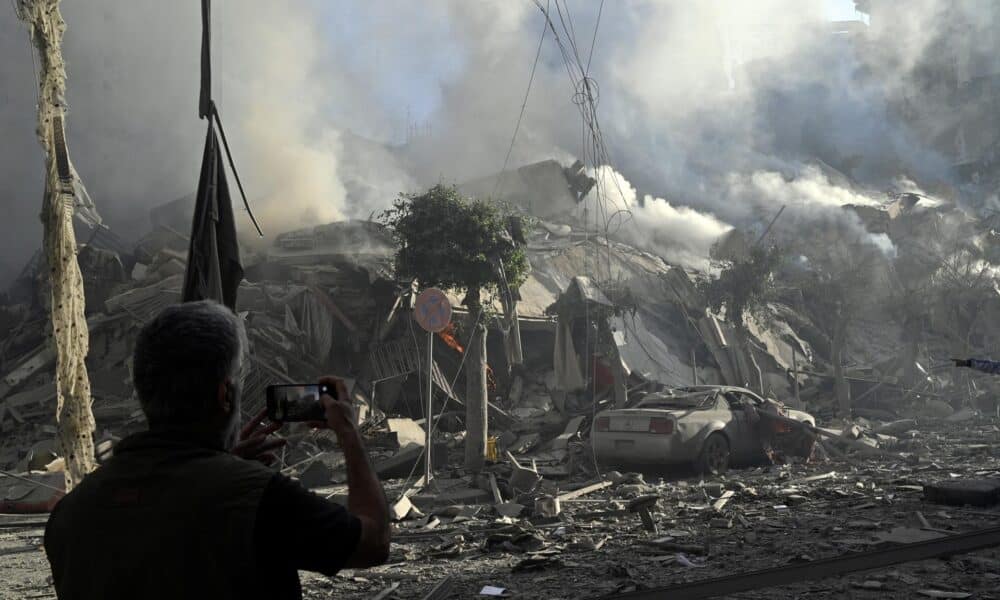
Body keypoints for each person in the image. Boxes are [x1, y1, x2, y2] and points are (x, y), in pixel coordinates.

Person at [44, 301, 390, 600]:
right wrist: (348, 433)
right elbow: (372, 540)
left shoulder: (70, 514)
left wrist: (222, 464)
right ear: (225, 395)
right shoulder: (257, 496)